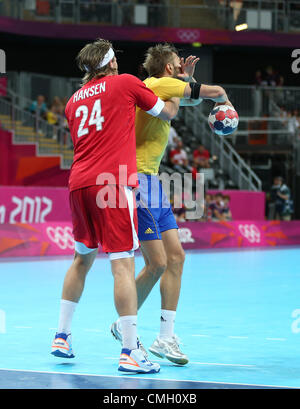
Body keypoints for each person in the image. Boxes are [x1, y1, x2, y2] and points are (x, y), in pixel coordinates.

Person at [50, 38, 179, 374]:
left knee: (81, 260)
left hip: (78, 184)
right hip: (112, 183)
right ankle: (129, 351)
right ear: (110, 63)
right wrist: (180, 87)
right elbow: (166, 112)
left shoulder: (71, 101)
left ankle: (61, 336)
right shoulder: (125, 83)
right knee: (122, 264)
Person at [110, 43, 234, 365]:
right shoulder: (155, 83)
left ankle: (164, 338)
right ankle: (126, 322)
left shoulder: (161, 89)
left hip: (154, 181)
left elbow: (180, 104)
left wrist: (184, 83)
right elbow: (215, 91)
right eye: (179, 65)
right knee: (157, 263)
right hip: (137, 181)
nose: (183, 68)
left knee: (176, 257)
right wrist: (226, 102)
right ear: (168, 68)